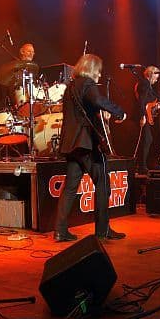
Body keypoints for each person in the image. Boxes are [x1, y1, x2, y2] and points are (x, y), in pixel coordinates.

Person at [53, 54, 127, 242]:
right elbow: (98, 100)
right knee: (103, 184)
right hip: (86, 143)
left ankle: (60, 231)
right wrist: (119, 112)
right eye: (98, 71)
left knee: (70, 188)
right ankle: (103, 230)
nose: (100, 75)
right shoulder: (87, 83)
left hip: (71, 144)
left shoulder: (70, 87)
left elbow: (81, 111)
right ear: (91, 69)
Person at [134, 65, 160, 174]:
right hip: (143, 115)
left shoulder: (147, 85)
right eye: (156, 77)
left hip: (145, 114)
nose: (156, 80)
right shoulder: (145, 83)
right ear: (151, 74)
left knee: (147, 139)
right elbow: (142, 101)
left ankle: (141, 165)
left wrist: (155, 106)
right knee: (147, 139)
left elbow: (146, 101)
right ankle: (141, 166)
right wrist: (142, 116)